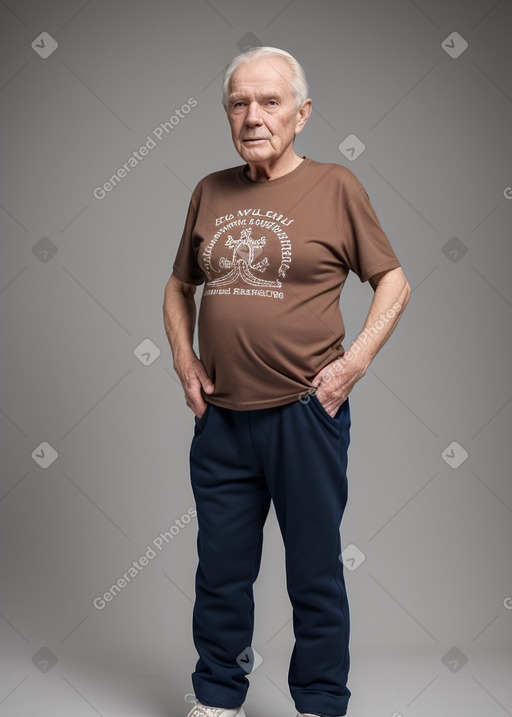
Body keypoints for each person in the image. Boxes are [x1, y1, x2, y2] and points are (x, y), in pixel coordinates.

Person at [163, 46, 410, 717]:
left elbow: (394, 280)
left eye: (269, 102)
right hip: (222, 419)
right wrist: (186, 364)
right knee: (221, 571)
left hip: (306, 413)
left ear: (302, 114)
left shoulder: (336, 186)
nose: (252, 115)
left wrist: (353, 362)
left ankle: (321, 702)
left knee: (314, 571)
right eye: (239, 102)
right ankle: (217, 694)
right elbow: (178, 286)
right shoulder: (210, 190)